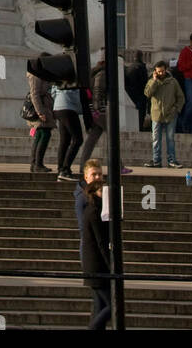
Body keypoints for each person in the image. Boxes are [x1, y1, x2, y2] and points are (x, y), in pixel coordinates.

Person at [79, 60, 133, 177]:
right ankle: (119, 166)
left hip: (95, 111)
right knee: (112, 138)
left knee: (91, 141)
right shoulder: (102, 74)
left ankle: (82, 165)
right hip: (101, 112)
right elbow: (98, 90)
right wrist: (98, 109)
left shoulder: (95, 74)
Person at [79, 160, 111, 330]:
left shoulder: (98, 208)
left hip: (93, 263)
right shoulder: (91, 208)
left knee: (99, 306)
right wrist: (110, 263)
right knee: (112, 306)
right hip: (96, 264)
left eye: (100, 174)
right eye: (94, 175)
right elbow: (99, 240)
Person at [144, 61, 185, 168]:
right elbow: (147, 93)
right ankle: (156, 160)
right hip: (156, 115)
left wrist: (176, 109)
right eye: (158, 72)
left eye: (162, 71)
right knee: (156, 139)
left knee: (170, 138)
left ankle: (172, 160)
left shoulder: (173, 82)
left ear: (166, 70)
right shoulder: (152, 81)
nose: (160, 73)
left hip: (170, 114)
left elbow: (181, 97)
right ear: (155, 72)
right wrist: (154, 81)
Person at [53, 84, 83, 183]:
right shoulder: (74, 74)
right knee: (77, 139)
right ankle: (64, 170)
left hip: (58, 107)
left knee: (65, 140)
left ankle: (61, 169)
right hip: (69, 108)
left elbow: (52, 91)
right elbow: (78, 95)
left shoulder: (59, 73)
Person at [26, 69, 55, 173]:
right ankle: (37, 164)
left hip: (44, 108)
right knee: (44, 134)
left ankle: (35, 164)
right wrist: (40, 112)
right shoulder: (36, 75)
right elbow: (35, 94)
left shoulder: (41, 74)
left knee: (40, 135)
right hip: (40, 110)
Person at [123, 51, 149, 132]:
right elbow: (145, 83)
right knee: (140, 115)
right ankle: (139, 129)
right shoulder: (141, 67)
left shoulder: (129, 68)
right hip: (140, 96)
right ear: (141, 57)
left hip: (131, 96)